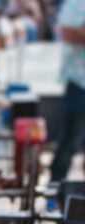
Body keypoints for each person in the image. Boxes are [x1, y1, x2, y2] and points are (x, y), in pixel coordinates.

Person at [49, 0, 85, 184]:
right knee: (70, 141)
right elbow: (65, 31)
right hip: (80, 83)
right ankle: (54, 190)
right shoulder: (77, 3)